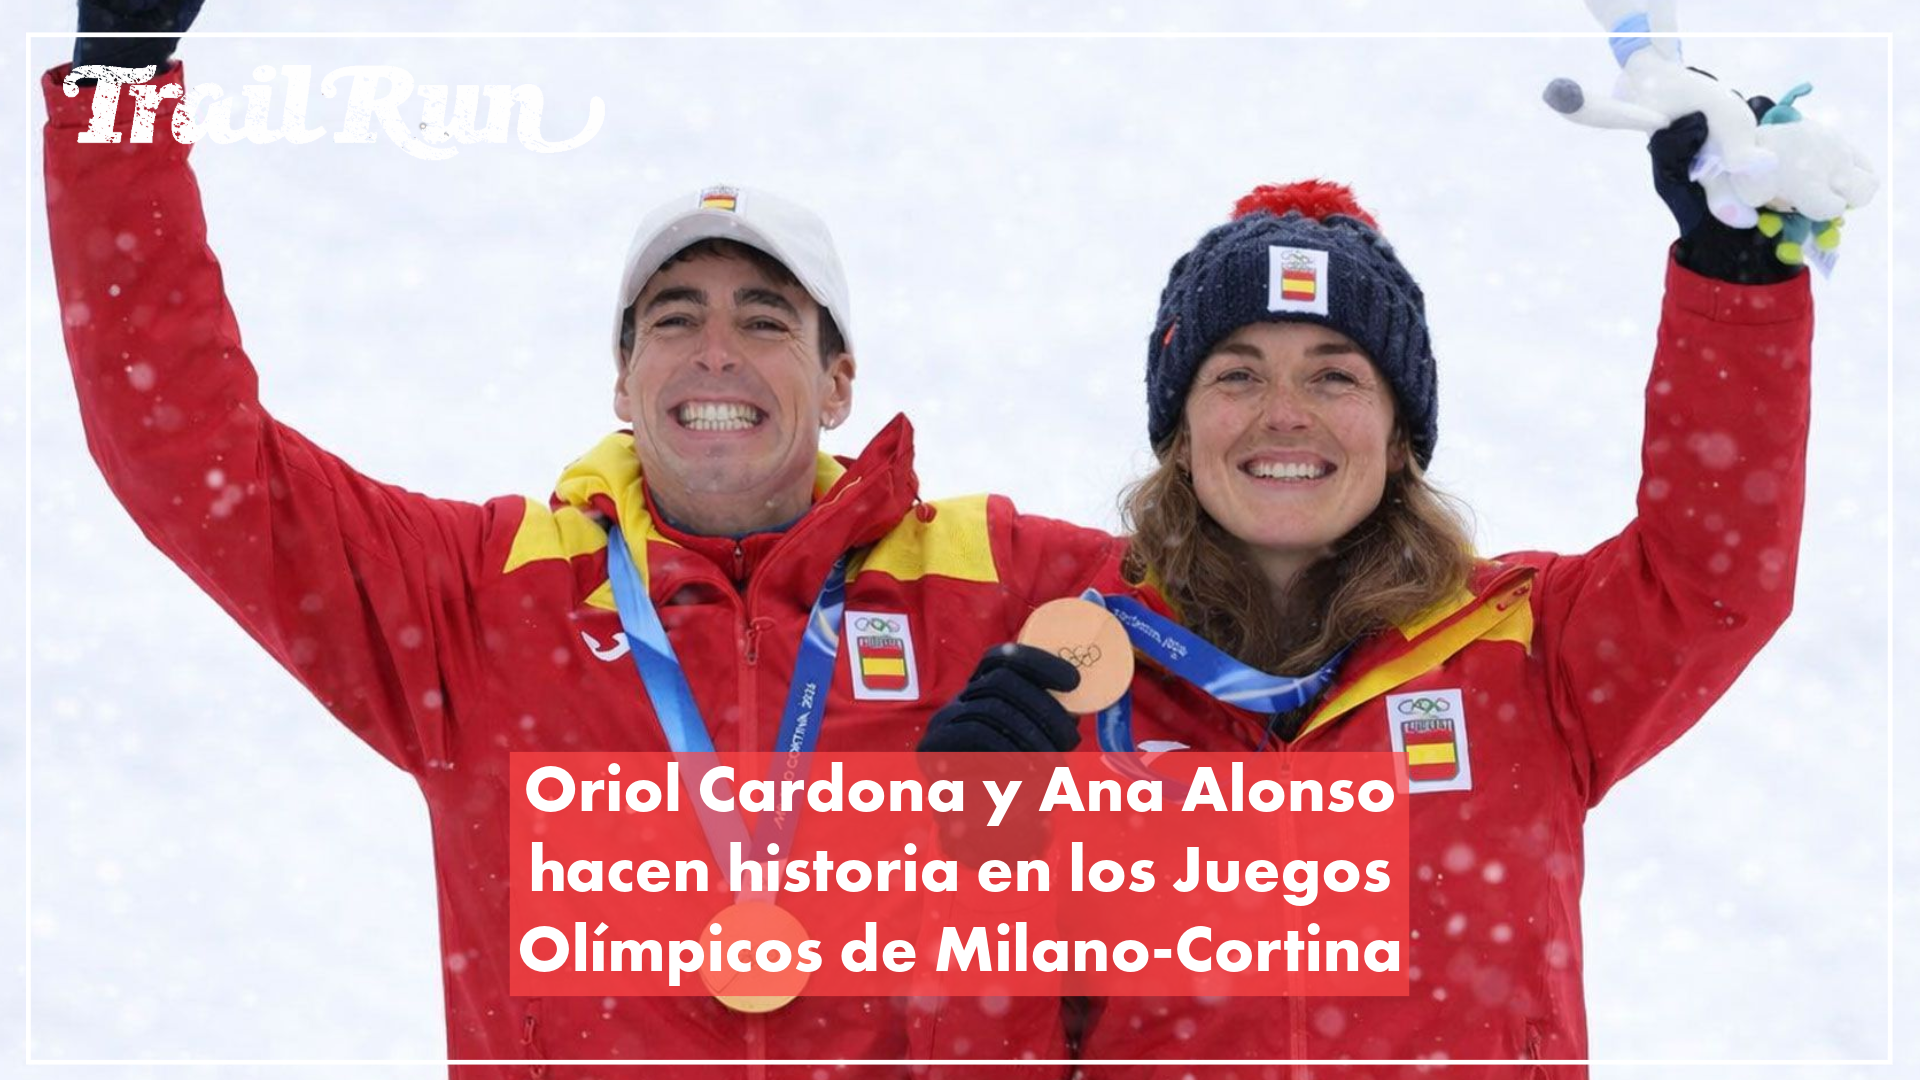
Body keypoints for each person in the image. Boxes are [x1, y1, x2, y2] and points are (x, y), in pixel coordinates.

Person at [44, 3, 1120, 1074]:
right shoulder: (485, 598)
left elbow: (1225, 596)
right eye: (674, 318)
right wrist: (120, 89)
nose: (715, 352)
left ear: (839, 384)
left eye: (764, 320)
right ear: (622, 381)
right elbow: (190, 454)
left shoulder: (1000, 584)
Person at [920, 120, 1815, 1072]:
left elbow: (1712, 578)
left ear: (1398, 436)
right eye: (1237, 375)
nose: (1285, 414)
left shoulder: (1521, 647)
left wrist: (1735, 287)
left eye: (1334, 375)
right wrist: (974, 862)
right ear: (1179, 433)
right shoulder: (1076, 676)